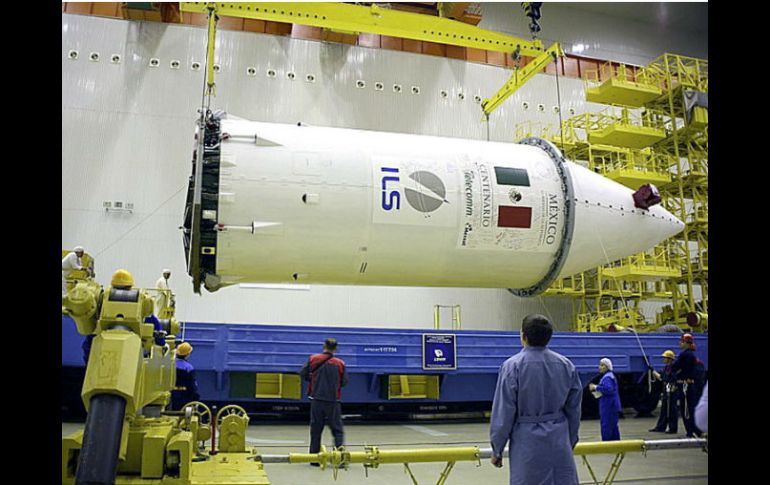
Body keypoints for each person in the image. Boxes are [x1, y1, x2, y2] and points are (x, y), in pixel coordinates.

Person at [489, 314, 583, 485]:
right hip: (559, 443)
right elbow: (574, 411)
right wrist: (568, 442)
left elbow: (503, 414)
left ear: (523, 336)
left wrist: (497, 449)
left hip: (527, 445)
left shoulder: (512, 367)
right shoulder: (566, 365)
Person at [300, 338, 348, 464]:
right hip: (333, 401)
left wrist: (314, 381)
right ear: (335, 349)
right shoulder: (340, 363)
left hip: (317, 399)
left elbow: (303, 373)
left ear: (324, 346)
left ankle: (314, 459)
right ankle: (339, 458)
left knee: (316, 430)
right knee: (337, 430)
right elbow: (344, 382)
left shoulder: (313, 359)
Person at [671, 333, 702, 437]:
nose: (680, 343)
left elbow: (675, 367)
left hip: (684, 384)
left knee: (686, 408)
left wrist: (676, 372)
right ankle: (696, 430)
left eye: (682, 341)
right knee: (691, 407)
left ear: (687, 343)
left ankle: (690, 431)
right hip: (689, 384)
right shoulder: (691, 354)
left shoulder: (685, 355)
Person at [589, 358, 622, 441]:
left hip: (609, 406)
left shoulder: (607, 377)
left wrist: (596, 387)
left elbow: (609, 389)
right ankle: (616, 443)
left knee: (607, 426)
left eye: (602, 365)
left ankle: (607, 443)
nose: (599, 367)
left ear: (607, 367)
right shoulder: (609, 376)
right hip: (610, 405)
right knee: (613, 426)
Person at [649, 350, 678, 433]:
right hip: (666, 389)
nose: (663, 359)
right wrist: (653, 371)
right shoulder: (666, 368)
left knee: (671, 409)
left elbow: (672, 379)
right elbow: (661, 378)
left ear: (669, 359)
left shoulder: (673, 368)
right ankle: (661, 427)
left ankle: (672, 428)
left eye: (665, 358)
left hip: (672, 390)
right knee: (664, 409)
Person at [172, 342, 200, 410]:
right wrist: (196, 398)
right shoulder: (188, 368)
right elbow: (192, 385)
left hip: (171, 395)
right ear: (187, 354)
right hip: (184, 397)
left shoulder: (171, 364)